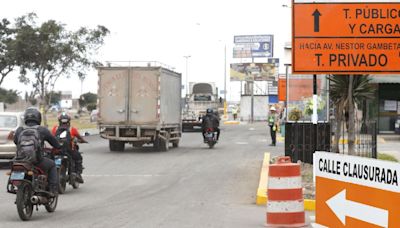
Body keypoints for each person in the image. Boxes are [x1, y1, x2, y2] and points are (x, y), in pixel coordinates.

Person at [13, 107, 61, 196]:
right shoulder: (42, 130)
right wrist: (58, 146)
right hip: (36, 160)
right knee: (52, 165)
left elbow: (16, 141)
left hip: (20, 160)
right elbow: (55, 143)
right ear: (38, 118)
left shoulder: (20, 129)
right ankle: (52, 189)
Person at [52, 112, 88, 183]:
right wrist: (83, 141)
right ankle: (78, 174)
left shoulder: (55, 128)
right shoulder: (72, 129)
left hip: (56, 149)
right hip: (69, 150)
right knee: (78, 157)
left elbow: (51, 136)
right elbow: (79, 137)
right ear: (68, 121)